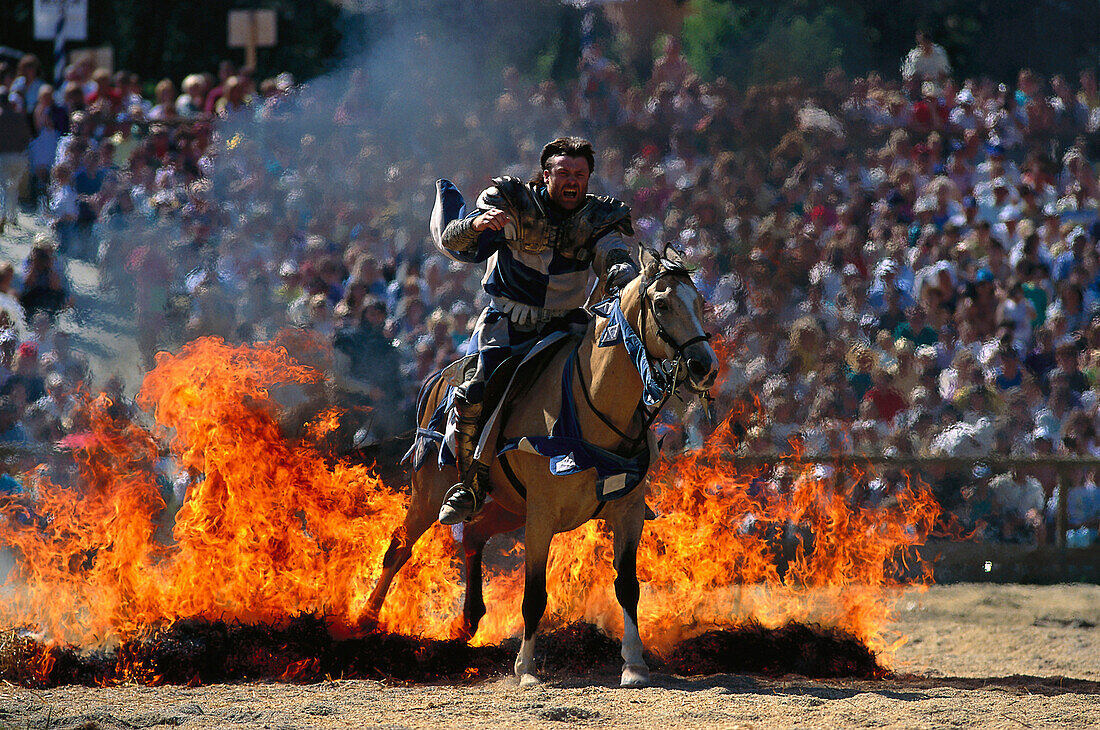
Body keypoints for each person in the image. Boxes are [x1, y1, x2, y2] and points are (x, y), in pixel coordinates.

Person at [431, 136, 638, 524]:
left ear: (589, 178)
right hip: (509, 327)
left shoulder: (598, 219)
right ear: (546, 175)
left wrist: (622, 272)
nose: (572, 180)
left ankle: (627, 478)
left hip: (569, 327)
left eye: (579, 174)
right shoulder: (512, 202)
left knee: (624, 379)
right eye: (563, 173)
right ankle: (471, 485)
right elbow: (454, 239)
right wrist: (476, 223)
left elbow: (613, 255)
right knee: (476, 393)